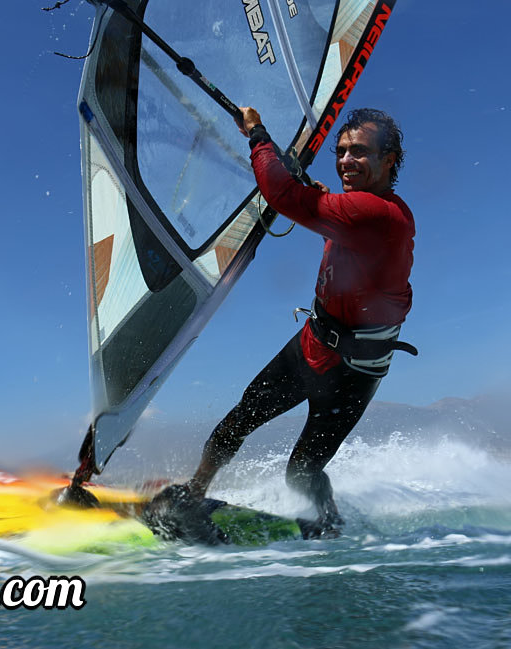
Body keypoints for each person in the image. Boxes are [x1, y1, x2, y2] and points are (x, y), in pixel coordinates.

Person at [149, 107, 416, 541]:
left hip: (354, 371)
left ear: (389, 160)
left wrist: (257, 134)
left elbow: (280, 195)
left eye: (360, 152)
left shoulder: (380, 214)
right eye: (342, 150)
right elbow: (338, 226)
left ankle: (327, 528)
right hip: (313, 343)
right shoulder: (359, 210)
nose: (346, 160)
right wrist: (320, 198)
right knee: (240, 417)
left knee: (302, 471)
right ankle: (194, 493)